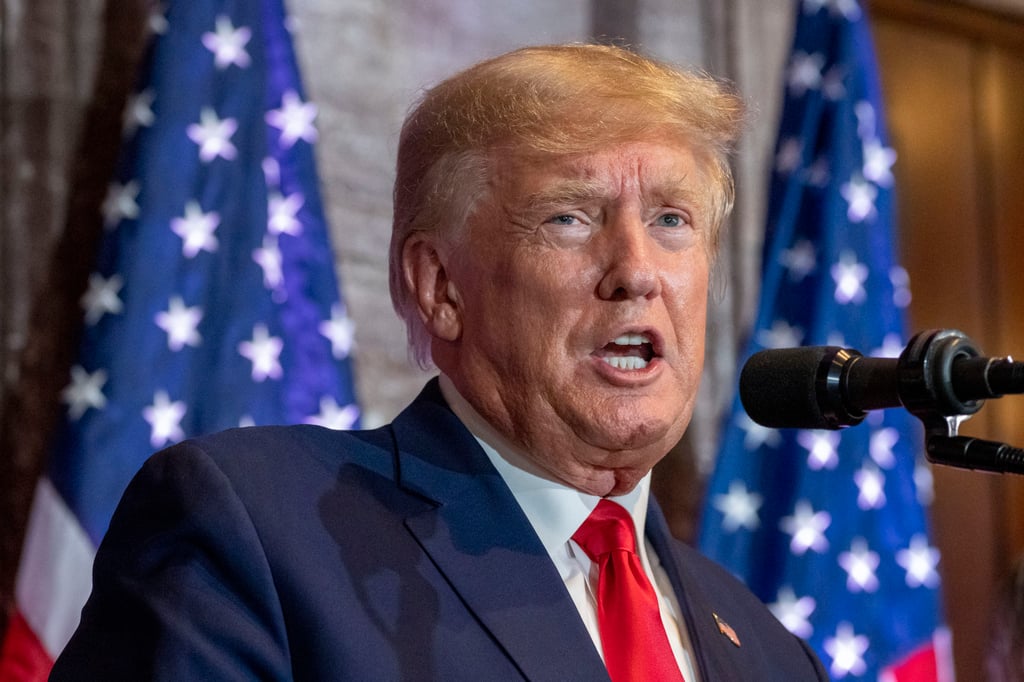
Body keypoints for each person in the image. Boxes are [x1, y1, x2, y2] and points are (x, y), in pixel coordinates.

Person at [51, 44, 827, 680]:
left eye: (671, 220)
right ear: (441, 286)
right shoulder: (256, 529)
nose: (637, 269)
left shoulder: (769, 650)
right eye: (569, 216)